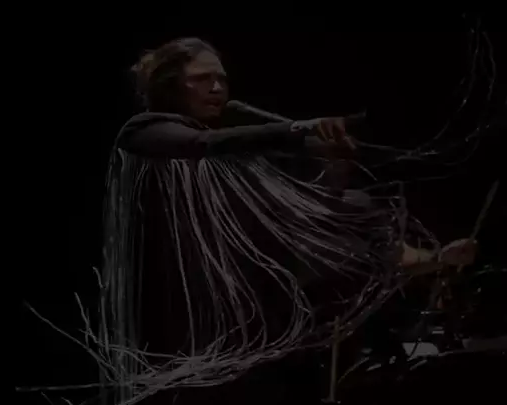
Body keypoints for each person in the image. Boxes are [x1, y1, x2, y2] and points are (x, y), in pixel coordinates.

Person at [99, 37, 476, 404]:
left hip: (253, 338)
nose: (216, 88)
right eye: (202, 79)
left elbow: (341, 237)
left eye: (222, 79)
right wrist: (300, 130)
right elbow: (203, 145)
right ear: (169, 84)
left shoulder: (244, 169)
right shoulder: (145, 132)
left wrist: (437, 259)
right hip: (181, 331)